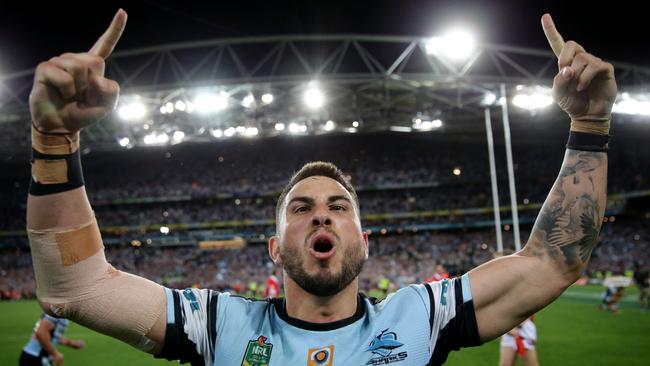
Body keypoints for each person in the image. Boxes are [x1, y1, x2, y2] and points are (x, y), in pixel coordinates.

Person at [25, 9, 615, 365]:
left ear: (365, 240)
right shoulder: (218, 324)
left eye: (339, 207)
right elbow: (75, 286)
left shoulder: (422, 317)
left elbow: (552, 262)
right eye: (301, 208)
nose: (322, 216)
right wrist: (53, 143)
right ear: (276, 247)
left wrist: (590, 128)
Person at [19, 313, 85, 366]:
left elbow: (52, 336)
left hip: (36, 357)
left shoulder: (59, 311)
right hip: (35, 357)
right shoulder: (57, 312)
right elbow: (41, 333)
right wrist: (55, 354)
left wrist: (71, 343)